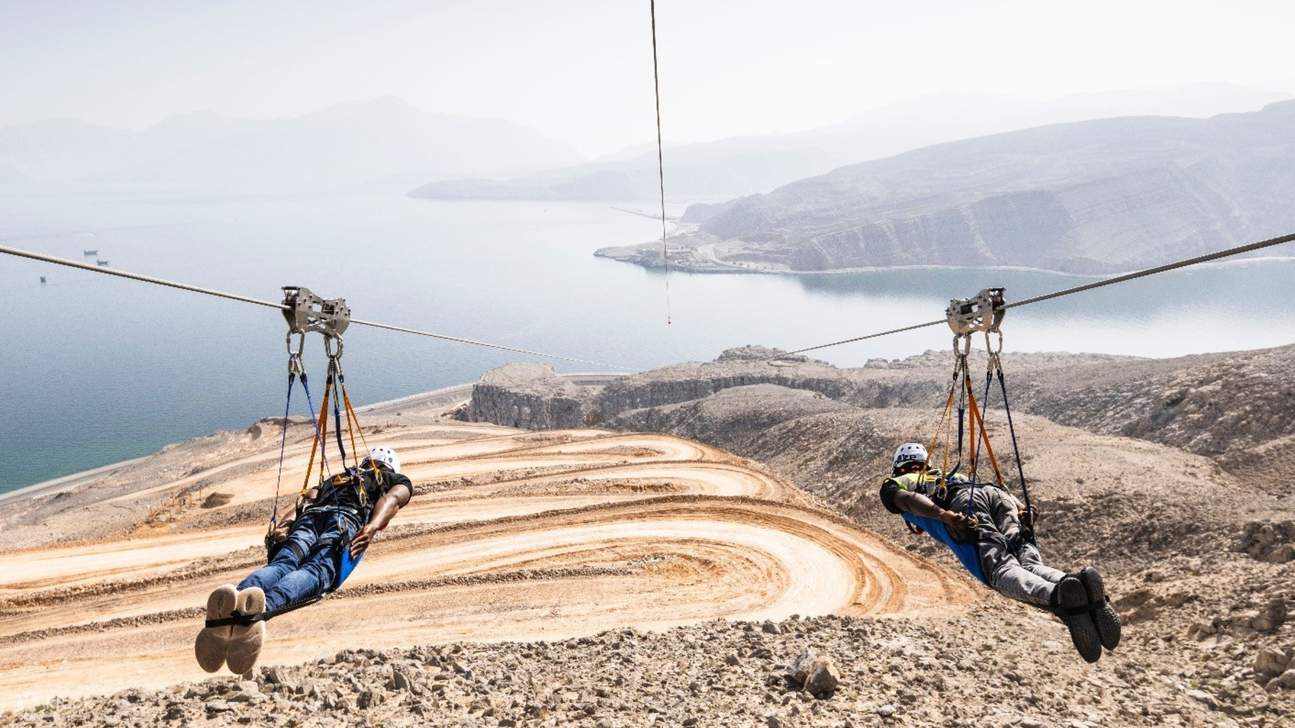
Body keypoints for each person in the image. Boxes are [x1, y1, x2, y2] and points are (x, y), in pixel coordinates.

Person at [878, 442, 1121, 662]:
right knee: (1029, 563)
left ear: (898, 467)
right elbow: (994, 491)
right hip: (996, 495)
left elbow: (906, 499)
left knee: (1000, 570)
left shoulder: (899, 481)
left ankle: (1057, 594)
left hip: (964, 505)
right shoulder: (952, 475)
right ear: (926, 462)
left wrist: (944, 515)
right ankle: (1077, 584)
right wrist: (1022, 508)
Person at [195, 446, 413, 674]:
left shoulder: (338, 477)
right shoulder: (393, 479)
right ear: (390, 467)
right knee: (315, 572)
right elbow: (392, 498)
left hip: (308, 520)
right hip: (344, 520)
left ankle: (236, 597)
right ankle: (262, 607)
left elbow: (304, 501)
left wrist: (284, 525)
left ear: (368, 460)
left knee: (282, 565)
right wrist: (372, 526)